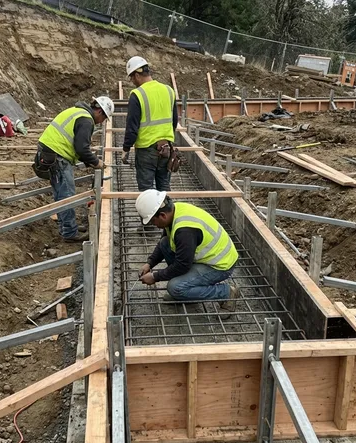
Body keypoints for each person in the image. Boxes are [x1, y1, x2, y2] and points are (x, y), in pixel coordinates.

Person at [134, 189, 239, 318]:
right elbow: (164, 242)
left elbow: (182, 265)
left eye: (153, 221)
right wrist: (149, 263)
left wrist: (155, 277)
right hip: (204, 257)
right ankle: (188, 290)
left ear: (162, 216)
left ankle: (226, 293)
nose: (154, 225)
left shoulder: (185, 231)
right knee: (165, 243)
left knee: (175, 288)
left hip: (220, 265)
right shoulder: (174, 210)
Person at [34, 97, 114, 242]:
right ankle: (70, 233)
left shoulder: (77, 112)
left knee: (60, 194)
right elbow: (82, 149)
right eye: (104, 118)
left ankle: (67, 226)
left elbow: (79, 147)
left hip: (50, 152)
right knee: (67, 195)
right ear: (99, 111)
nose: (101, 122)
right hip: (57, 155)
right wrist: (97, 163)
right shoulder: (86, 120)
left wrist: (90, 161)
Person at [122, 56, 179, 192]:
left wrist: (126, 149)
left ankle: (150, 214)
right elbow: (174, 121)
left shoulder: (137, 94)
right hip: (166, 148)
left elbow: (132, 127)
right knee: (164, 189)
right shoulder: (168, 90)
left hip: (146, 150)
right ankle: (166, 212)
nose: (132, 81)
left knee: (147, 192)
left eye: (132, 77)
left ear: (137, 74)